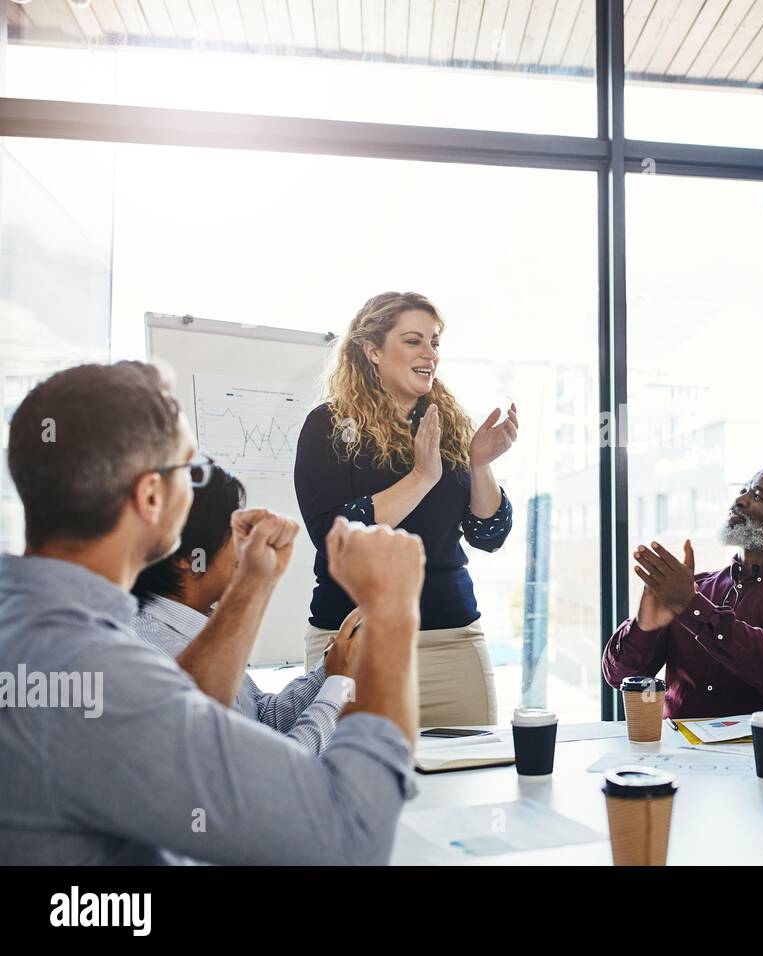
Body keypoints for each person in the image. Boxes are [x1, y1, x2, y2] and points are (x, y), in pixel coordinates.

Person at [0, 361, 423, 865]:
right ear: (152, 496)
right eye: (189, 467)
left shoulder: (33, 623)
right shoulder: (89, 671)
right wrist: (395, 609)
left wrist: (253, 582)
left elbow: (180, 714)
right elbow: (350, 834)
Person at [295, 291, 518, 727]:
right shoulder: (327, 425)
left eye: (434, 342)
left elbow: (489, 535)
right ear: (372, 350)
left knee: (466, 786)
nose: (429, 354)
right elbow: (333, 537)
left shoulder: (448, 426)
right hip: (355, 645)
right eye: (413, 341)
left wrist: (479, 464)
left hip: (452, 643)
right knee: (354, 787)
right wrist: (421, 478)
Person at [132, 464, 360, 755]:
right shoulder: (156, 653)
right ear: (185, 556)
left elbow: (263, 718)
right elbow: (275, 773)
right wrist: (339, 685)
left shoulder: (197, 631)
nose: (247, 544)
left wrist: (328, 670)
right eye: (234, 530)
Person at [602, 467, 763, 718]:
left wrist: (691, 605)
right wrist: (644, 627)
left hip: (759, 754)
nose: (739, 500)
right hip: (676, 753)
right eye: (743, 490)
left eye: (757, 496)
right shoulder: (695, 587)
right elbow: (619, 678)